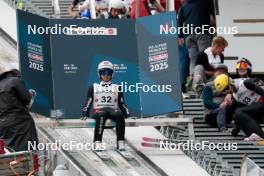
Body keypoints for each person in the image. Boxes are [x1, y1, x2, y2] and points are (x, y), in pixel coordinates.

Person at [81, 61, 129, 151]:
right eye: (103, 72)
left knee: (119, 115)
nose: (106, 75)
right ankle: (97, 142)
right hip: (98, 110)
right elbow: (88, 102)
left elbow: (122, 103)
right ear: (99, 74)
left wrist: (127, 114)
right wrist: (84, 114)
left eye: (108, 72)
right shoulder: (94, 87)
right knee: (102, 114)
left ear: (112, 73)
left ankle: (120, 141)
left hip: (112, 110)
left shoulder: (117, 87)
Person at [214, 74, 264, 140]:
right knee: (236, 116)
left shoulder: (245, 83)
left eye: (227, 88)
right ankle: (252, 134)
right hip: (258, 109)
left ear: (231, 82)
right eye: (223, 91)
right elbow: (242, 112)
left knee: (239, 111)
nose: (227, 91)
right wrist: (236, 129)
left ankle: (260, 135)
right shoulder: (235, 96)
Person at [0, 68, 38, 152]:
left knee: (8, 152)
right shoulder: (15, 80)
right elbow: (26, 99)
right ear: (18, 75)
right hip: (19, 122)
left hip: (3, 124)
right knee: (25, 152)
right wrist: (31, 94)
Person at [178, 0, 215, 83]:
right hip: (203, 34)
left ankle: (193, 83)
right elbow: (215, 16)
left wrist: (180, 36)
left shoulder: (184, 5)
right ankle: (203, 82)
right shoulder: (206, 2)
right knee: (204, 58)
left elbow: (179, 22)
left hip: (189, 36)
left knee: (193, 59)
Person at [202, 64, 235, 131]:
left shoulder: (231, 84)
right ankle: (223, 128)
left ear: (227, 74)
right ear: (215, 73)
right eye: (219, 72)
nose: (221, 74)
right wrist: (219, 106)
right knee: (221, 109)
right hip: (212, 114)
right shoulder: (209, 86)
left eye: (223, 72)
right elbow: (206, 102)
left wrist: (230, 94)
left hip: (227, 113)